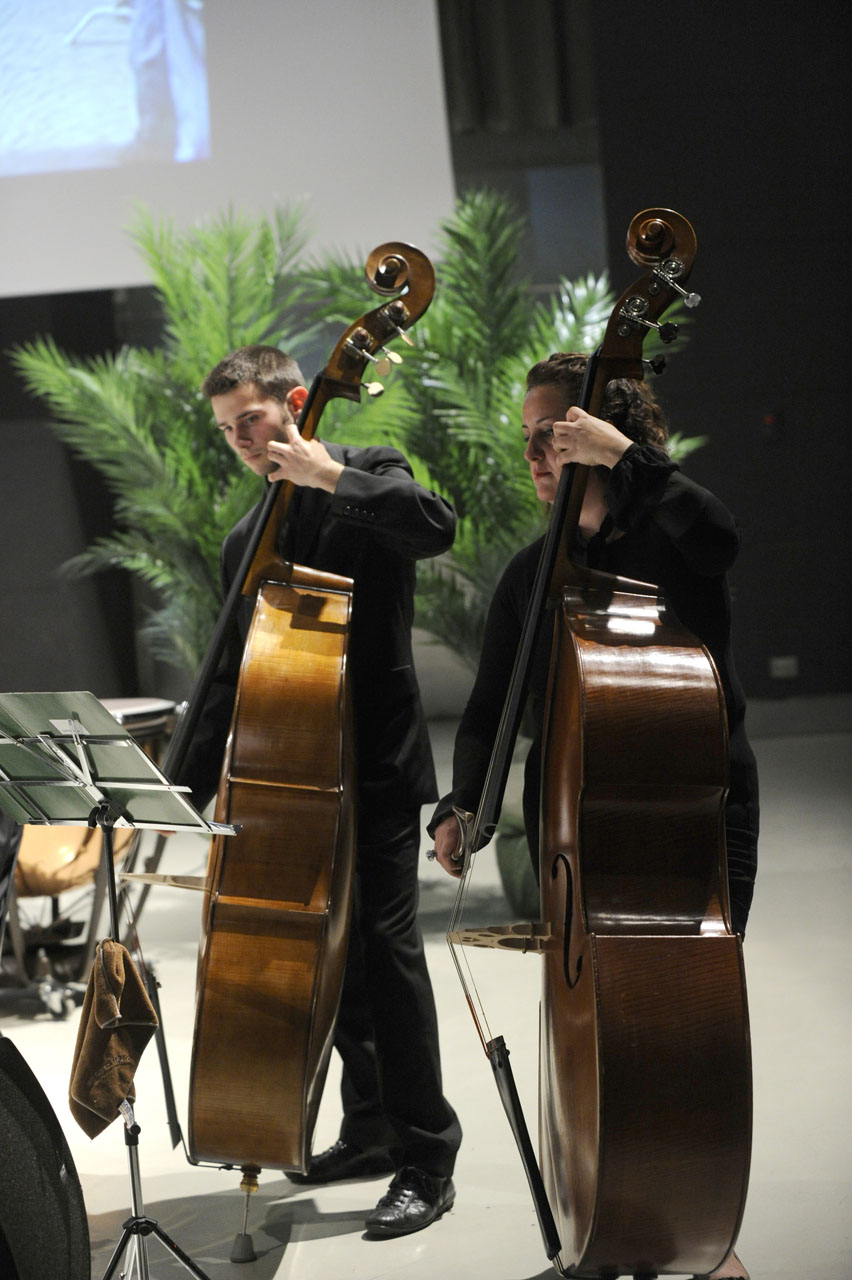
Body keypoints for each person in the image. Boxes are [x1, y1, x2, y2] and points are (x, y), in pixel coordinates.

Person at [428, 351, 757, 1280]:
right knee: (591, 1043)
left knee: (680, 1042)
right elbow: (488, 709)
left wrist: (625, 459)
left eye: (553, 436)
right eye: (528, 439)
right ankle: (605, 1237)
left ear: (602, 436)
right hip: (574, 839)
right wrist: (462, 805)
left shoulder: (671, 540)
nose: (535, 455)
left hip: (689, 820)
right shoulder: (533, 573)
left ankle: (699, 1240)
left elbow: (721, 536)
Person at [180, 344, 461, 1237]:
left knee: (387, 950)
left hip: (376, 765)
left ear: (297, 402)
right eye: (227, 430)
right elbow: (231, 677)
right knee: (332, 963)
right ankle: (371, 1129)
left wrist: (329, 475)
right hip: (292, 780)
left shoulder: (368, 471)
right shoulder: (248, 539)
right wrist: (183, 787)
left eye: (250, 420)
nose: (240, 440)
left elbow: (436, 526)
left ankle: (428, 1154)